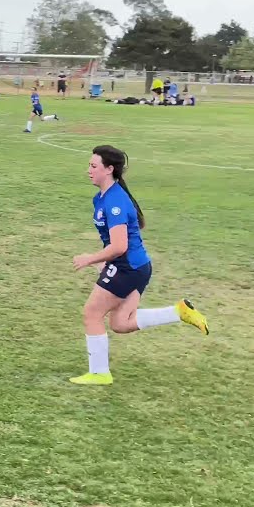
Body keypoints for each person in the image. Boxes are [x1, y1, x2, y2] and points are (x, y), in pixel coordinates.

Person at [69, 146, 209, 386]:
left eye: (93, 166)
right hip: (136, 267)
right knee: (120, 324)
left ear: (109, 169)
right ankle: (178, 312)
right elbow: (126, 233)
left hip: (128, 267)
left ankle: (99, 373)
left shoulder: (115, 201)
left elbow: (120, 245)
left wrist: (91, 258)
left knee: (92, 313)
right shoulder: (104, 197)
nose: (88, 171)